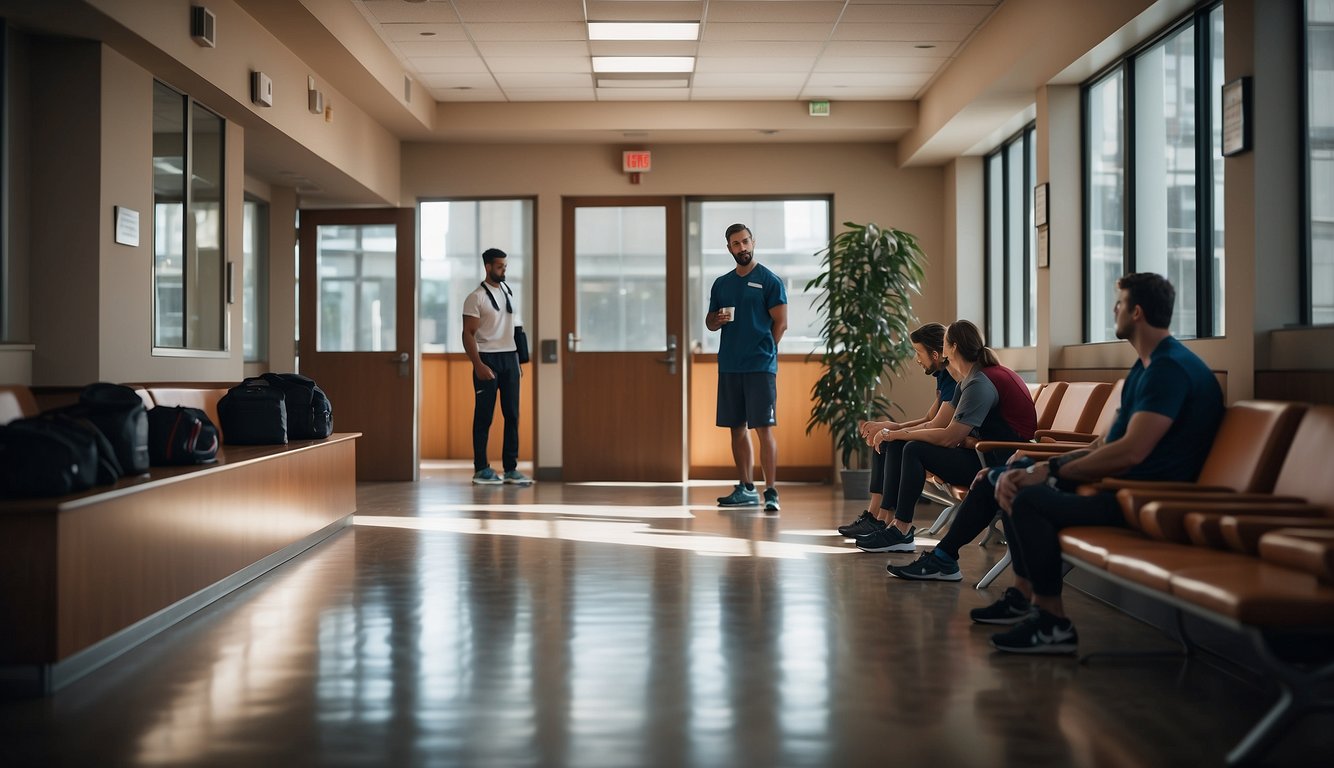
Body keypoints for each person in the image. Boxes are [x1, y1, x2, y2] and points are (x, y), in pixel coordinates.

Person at [889, 273, 1224, 656]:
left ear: (1137, 312)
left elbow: (1131, 452)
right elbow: (1104, 443)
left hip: (1143, 498)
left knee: (1026, 495)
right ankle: (1009, 591)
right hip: (1116, 484)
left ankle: (1052, 622)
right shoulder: (1147, 369)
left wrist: (1049, 470)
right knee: (999, 477)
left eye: (1118, 304)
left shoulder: (1169, 370)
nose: (1113, 310)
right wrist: (1037, 464)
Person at [853, 320, 1029, 553]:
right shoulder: (967, 381)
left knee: (913, 448)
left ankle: (902, 530)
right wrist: (895, 434)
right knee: (906, 444)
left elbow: (948, 437)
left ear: (952, 348)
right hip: (982, 455)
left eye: (945, 343)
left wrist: (894, 433)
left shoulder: (979, 382)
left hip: (998, 463)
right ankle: (896, 527)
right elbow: (947, 429)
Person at [837, 322, 958, 537]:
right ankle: (875, 516)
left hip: (954, 447)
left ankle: (882, 519)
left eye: (918, 352)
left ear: (935, 354)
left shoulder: (952, 378)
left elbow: (938, 425)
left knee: (894, 442)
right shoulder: (942, 376)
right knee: (886, 440)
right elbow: (929, 418)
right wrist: (892, 427)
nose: (916, 358)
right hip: (947, 443)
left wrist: (893, 432)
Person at [707, 223, 788, 512]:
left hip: (760, 366)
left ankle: (771, 492)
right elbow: (710, 321)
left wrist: (768, 350)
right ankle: (746, 488)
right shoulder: (721, 283)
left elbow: (781, 322)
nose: (742, 248)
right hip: (730, 365)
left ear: (753, 242)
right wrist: (716, 320)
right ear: (729, 248)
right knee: (736, 428)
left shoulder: (770, 281)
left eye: (745, 242)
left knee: (763, 428)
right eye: (736, 244)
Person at [461, 247, 532, 486]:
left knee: (512, 415)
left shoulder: (508, 291)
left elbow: (516, 327)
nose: (503, 270)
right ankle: (481, 468)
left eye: (505, 266)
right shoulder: (476, 297)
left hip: (509, 360)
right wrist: (478, 364)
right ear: (488, 267)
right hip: (487, 360)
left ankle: (511, 469)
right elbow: (468, 334)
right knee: (484, 417)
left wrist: (519, 361)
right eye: (499, 266)